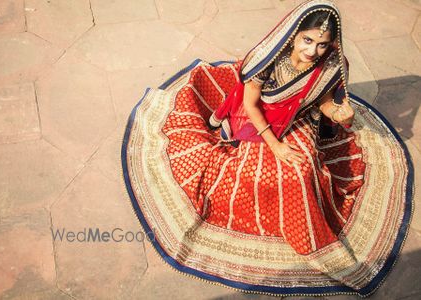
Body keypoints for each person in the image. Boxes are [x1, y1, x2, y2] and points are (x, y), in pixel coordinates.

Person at [121, 0, 413, 297]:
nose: (312, 51)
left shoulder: (330, 66)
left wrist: (338, 114)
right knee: (251, 173)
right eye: (307, 40)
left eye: (322, 44)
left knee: (302, 169)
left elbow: (323, 102)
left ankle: (307, 233)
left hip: (298, 119)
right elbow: (250, 103)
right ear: (295, 34)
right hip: (256, 119)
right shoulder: (269, 59)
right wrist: (275, 146)